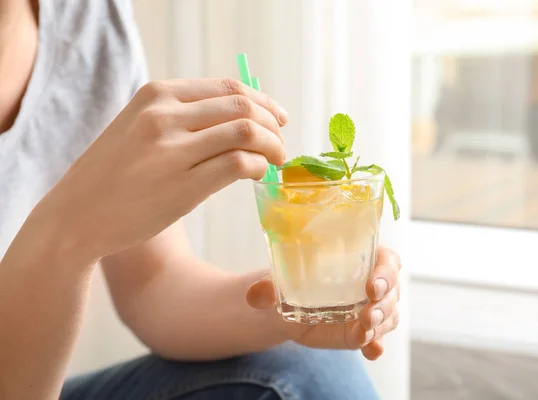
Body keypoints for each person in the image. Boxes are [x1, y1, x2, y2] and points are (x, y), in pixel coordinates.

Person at [0, 1, 402, 399]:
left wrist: (292, 307)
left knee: (309, 364)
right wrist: (69, 234)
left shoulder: (90, 16)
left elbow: (154, 284)